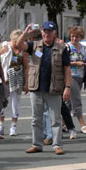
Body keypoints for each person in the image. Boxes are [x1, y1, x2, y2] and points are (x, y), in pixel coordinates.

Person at [19, 21, 72, 156]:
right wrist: (25, 33)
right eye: (44, 31)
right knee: (36, 119)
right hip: (36, 87)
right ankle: (36, 144)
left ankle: (57, 145)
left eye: (49, 31)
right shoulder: (34, 46)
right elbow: (18, 45)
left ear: (54, 33)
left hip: (54, 87)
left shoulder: (61, 48)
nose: (46, 33)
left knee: (55, 119)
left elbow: (67, 69)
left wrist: (68, 87)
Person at [0, 29, 28, 137]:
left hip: (17, 78)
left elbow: (26, 67)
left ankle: (13, 126)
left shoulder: (23, 50)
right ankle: (0, 126)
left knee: (15, 103)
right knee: (2, 102)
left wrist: (27, 83)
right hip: (5, 77)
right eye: (17, 41)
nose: (18, 43)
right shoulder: (5, 46)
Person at [67, 26, 86, 138]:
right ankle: (82, 124)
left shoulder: (83, 48)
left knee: (67, 102)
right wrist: (76, 63)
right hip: (69, 76)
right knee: (76, 100)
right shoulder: (67, 47)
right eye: (72, 36)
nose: (74, 38)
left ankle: (64, 123)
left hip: (80, 76)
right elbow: (64, 62)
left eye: (77, 36)